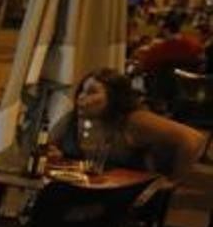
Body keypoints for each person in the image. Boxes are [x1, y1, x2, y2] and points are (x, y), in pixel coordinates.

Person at [49, 68, 205, 181]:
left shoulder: (134, 121)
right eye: (81, 91)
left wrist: (173, 183)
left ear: (114, 97)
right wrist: (54, 153)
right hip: (81, 190)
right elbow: (49, 145)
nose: (81, 97)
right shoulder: (74, 118)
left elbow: (193, 139)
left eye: (91, 92)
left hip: (122, 198)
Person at [134, 13, 204, 75]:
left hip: (164, 86)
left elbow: (146, 65)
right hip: (189, 85)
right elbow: (201, 61)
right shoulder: (194, 44)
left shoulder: (159, 48)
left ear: (166, 30)